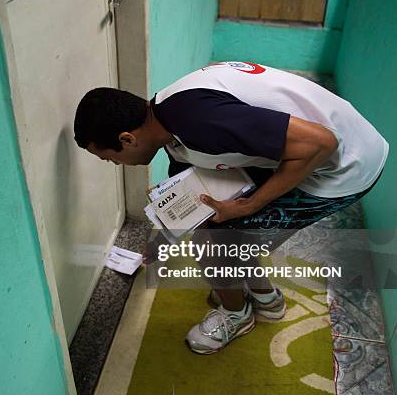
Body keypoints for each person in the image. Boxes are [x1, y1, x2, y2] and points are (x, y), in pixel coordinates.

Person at [73, 61, 388, 354]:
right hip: (321, 143)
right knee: (218, 231)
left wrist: (249, 205)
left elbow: (322, 144)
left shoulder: (199, 122)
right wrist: (164, 236)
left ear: (127, 139)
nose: (114, 164)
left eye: (107, 157)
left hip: (343, 166)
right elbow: (191, 190)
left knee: (216, 246)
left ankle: (236, 314)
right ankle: (266, 298)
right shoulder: (166, 115)